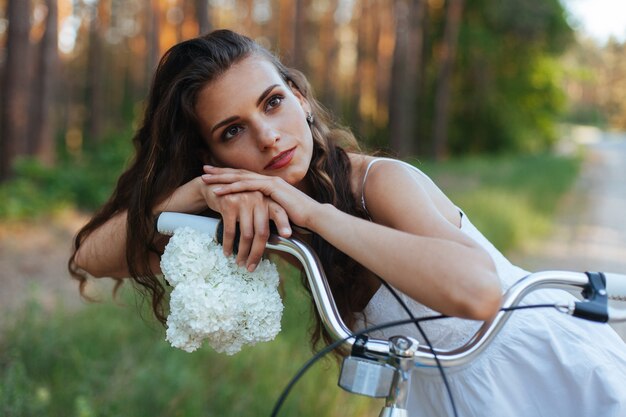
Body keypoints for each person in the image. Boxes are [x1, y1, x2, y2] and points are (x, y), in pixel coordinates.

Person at [69, 29, 626, 416]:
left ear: (302, 100)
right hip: (445, 395)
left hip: (542, 372)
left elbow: (479, 294)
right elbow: (91, 256)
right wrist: (199, 191)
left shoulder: (378, 182)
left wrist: (317, 214)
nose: (268, 136)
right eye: (232, 131)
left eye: (272, 102)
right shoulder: (250, 208)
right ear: (213, 154)